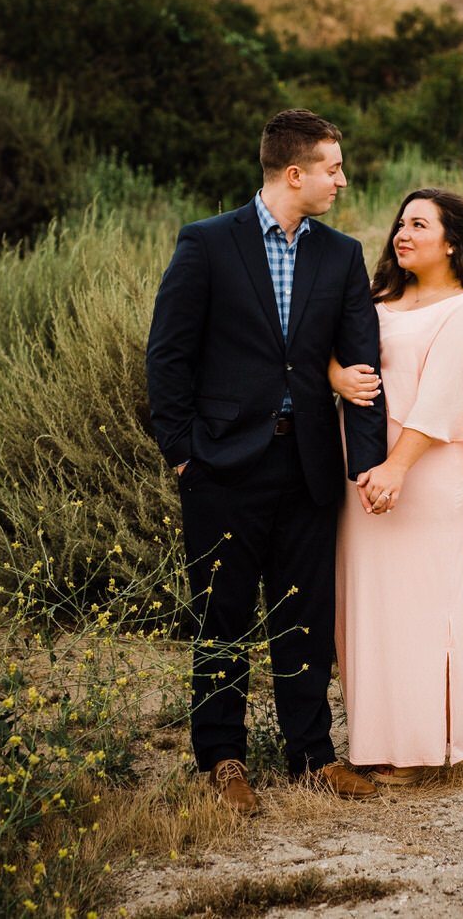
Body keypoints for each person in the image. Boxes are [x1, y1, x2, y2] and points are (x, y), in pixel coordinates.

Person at [146, 109, 387, 815]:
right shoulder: (207, 244)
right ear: (294, 174)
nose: (343, 180)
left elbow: (360, 364)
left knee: (305, 616)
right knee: (221, 617)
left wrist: (364, 467)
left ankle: (312, 756)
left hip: (309, 466)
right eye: (333, 168)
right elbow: (168, 357)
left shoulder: (340, 255)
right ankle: (222, 759)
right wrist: (183, 456)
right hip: (221, 468)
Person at [330, 187, 463, 782]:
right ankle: (380, 739)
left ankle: (422, 748)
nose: (402, 234)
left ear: (452, 242)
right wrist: (336, 374)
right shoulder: (379, 298)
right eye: (400, 223)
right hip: (364, 479)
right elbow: (329, 352)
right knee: (373, 611)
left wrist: (396, 468)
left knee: (423, 612)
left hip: (426, 482)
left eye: (419, 225)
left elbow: (442, 403)